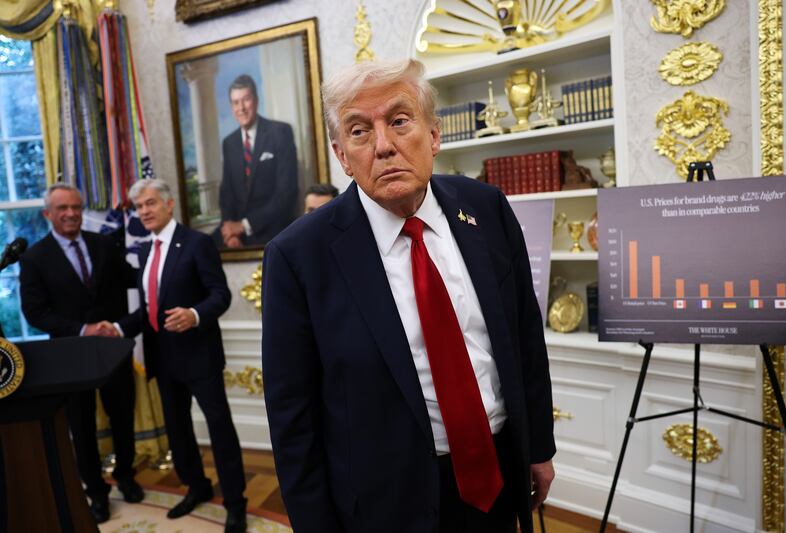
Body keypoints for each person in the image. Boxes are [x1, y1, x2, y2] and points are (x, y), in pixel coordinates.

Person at [261, 59, 555, 533]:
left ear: (433, 135)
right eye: (359, 131)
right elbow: (293, 417)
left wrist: (538, 447)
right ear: (342, 156)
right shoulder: (298, 257)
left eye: (399, 121)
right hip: (385, 501)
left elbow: (525, 338)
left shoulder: (487, 209)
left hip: (498, 470)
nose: (383, 145)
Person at [117, 179, 247, 533]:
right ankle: (196, 486)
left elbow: (220, 294)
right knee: (177, 430)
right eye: (138, 207)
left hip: (199, 355)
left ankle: (235, 502)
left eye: (150, 203)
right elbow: (149, 309)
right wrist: (116, 327)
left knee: (220, 429)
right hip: (162, 356)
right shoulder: (144, 250)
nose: (144, 211)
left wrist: (194, 314)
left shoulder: (196, 243)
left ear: (169, 204)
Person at [19, 183, 143, 524]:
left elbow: (133, 279)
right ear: (48, 214)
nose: (71, 213)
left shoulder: (104, 243)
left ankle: (126, 476)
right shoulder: (34, 258)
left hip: (113, 348)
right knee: (82, 425)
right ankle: (96, 493)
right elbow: (35, 312)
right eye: (63, 208)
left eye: (76, 207)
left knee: (123, 416)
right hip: (69, 356)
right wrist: (82, 329)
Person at [217, 74, 299, 248]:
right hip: (238, 235)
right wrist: (229, 232)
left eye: (246, 100)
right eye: (235, 102)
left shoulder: (280, 132)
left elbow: (286, 193)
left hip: (275, 231)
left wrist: (244, 225)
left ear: (256, 101)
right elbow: (226, 194)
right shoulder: (229, 143)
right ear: (231, 107)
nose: (241, 108)